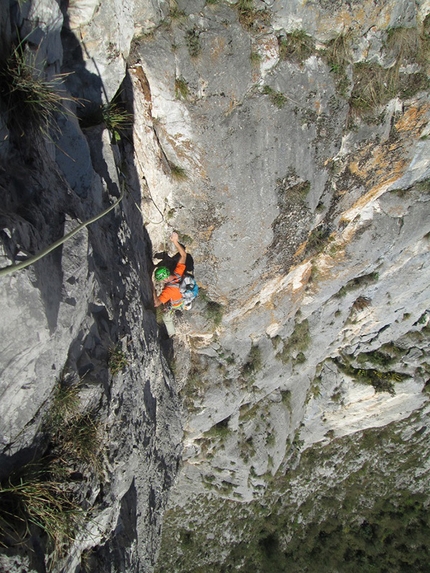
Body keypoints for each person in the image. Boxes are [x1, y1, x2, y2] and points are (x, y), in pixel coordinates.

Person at [153, 232, 187, 337]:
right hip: (184, 298)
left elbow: (156, 303)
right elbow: (184, 255)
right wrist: (175, 241)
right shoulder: (178, 274)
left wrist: (152, 286)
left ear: (164, 280)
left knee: (166, 318)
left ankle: (172, 334)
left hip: (177, 304)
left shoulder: (169, 290)